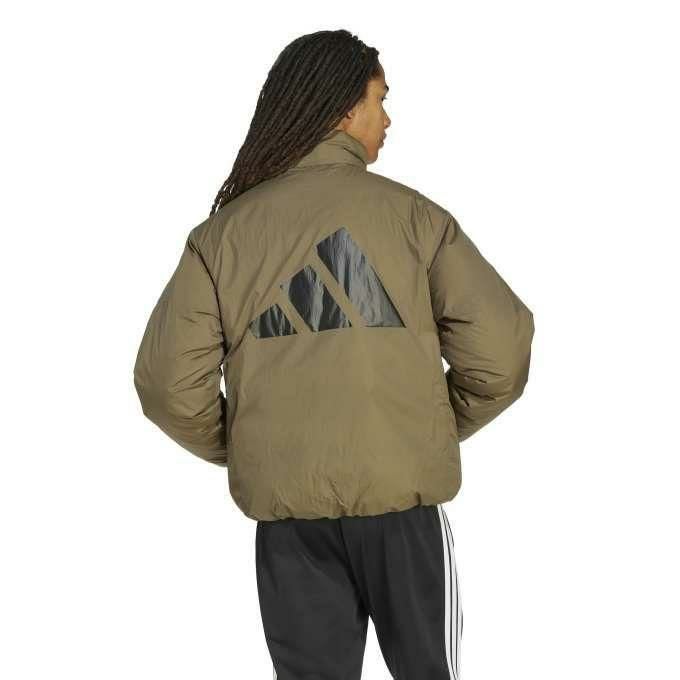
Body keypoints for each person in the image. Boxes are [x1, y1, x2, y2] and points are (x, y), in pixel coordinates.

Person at [133, 28, 535, 680]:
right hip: (402, 514)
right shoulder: (416, 220)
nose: (388, 118)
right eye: (381, 99)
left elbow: (166, 386)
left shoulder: (222, 236)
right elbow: (502, 354)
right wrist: (416, 434)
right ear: (346, 110)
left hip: (291, 527)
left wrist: (259, 446)